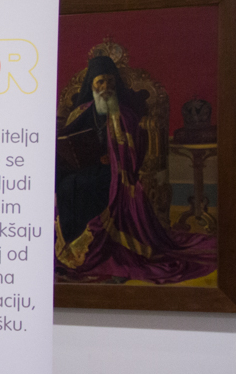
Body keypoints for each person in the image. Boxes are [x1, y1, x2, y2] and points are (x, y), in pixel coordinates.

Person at [54, 55, 216, 282]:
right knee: (67, 185)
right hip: (83, 170)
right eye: (100, 82)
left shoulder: (125, 114)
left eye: (110, 81)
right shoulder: (80, 112)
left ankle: (98, 251)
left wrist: (112, 158)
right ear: (91, 84)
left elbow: (134, 149)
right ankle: (71, 245)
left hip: (115, 171)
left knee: (88, 185)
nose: (106, 87)